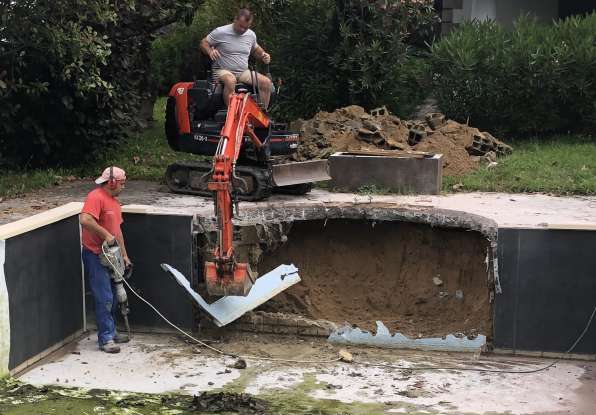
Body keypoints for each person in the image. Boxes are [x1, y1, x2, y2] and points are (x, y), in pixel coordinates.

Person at [80, 166, 131, 354]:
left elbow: (118, 232)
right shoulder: (96, 197)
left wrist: (124, 255)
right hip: (95, 254)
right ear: (112, 182)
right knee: (104, 297)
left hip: (112, 255)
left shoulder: (114, 202)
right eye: (122, 184)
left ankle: (112, 330)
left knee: (115, 295)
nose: (123, 187)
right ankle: (106, 339)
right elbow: (85, 220)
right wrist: (106, 235)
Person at [200, 8, 273, 108]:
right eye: (241, 26)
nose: (243, 30)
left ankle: (260, 115)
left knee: (266, 82)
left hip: (243, 72)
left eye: (246, 28)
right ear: (235, 19)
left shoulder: (251, 35)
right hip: (222, 70)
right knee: (230, 80)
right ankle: (232, 115)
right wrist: (210, 51)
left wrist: (264, 55)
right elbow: (203, 43)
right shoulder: (221, 32)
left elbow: (256, 50)